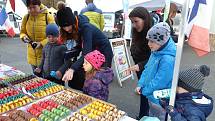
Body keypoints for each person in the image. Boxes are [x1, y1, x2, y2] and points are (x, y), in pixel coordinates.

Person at [56, 5, 113, 90]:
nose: (67, 29)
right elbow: (80, 46)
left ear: (73, 22)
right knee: (87, 80)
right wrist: (70, 52)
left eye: (68, 26)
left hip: (103, 53)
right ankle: (89, 94)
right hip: (93, 53)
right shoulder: (77, 27)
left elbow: (86, 53)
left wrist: (72, 68)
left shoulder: (86, 28)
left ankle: (99, 98)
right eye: (64, 27)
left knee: (99, 81)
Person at [136, 22, 176, 121]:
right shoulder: (156, 52)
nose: (149, 44)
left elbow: (160, 81)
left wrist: (145, 90)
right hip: (151, 94)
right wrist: (140, 84)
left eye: (152, 41)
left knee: (159, 117)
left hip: (160, 100)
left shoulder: (167, 59)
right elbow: (147, 69)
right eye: (149, 40)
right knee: (152, 116)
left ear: (162, 41)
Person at [128, 7, 152, 119]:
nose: (134, 25)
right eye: (132, 22)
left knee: (147, 93)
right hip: (139, 67)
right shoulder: (136, 32)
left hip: (148, 68)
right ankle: (144, 115)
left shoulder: (152, 34)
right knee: (143, 92)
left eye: (136, 21)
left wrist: (140, 65)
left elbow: (156, 57)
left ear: (145, 19)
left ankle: (144, 116)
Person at [20, 0, 55, 75]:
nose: (32, 10)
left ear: (39, 5)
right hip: (32, 55)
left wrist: (41, 43)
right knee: (36, 80)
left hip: (46, 56)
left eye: (34, 7)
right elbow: (22, 32)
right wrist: (23, 37)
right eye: (29, 8)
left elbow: (54, 35)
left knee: (47, 81)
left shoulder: (48, 16)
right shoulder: (26, 17)